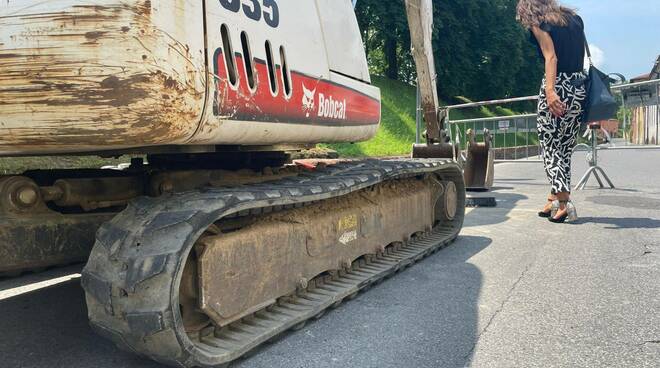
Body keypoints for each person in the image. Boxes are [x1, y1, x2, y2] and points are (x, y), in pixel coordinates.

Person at [517, 0, 587, 223]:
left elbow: (551, 57)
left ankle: (565, 203)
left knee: (549, 146)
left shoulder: (540, 22)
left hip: (557, 85)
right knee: (564, 147)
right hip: (579, 86)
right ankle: (552, 198)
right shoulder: (575, 20)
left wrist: (550, 91)